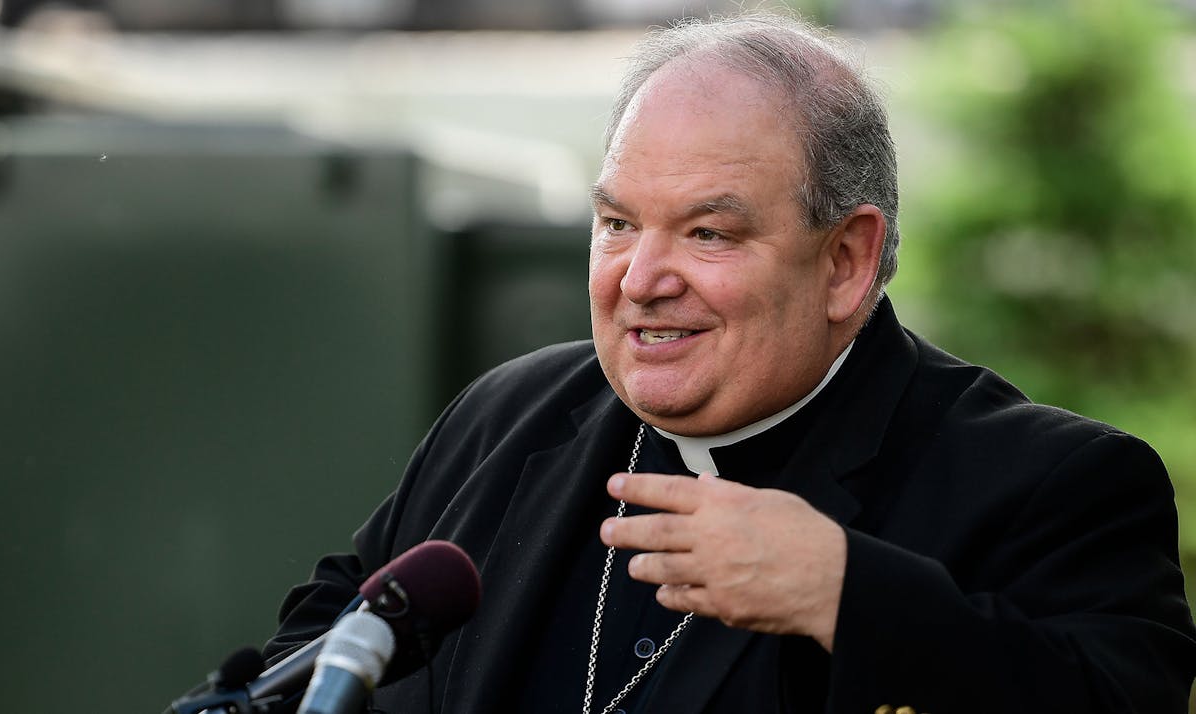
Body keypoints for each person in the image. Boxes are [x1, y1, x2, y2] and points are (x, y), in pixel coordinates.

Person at [263, 12, 1196, 713]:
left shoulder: (1057, 487)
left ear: (845, 261)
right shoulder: (507, 417)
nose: (641, 278)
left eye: (708, 233)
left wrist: (844, 594)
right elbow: (320, 648)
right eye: (618, 224)